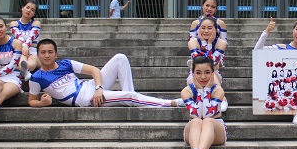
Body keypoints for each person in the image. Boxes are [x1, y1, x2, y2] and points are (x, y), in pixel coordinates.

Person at [28, 39, 183, 109]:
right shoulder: (37, 77)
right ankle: (169, 103)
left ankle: (132, 99)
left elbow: (94, 70)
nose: (47, 55)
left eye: (50, 52)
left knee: (120, 58)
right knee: (129, 96)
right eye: (43, 52)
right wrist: (42, 103)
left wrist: (98, 88)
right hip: (84, 99)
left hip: (92, 87)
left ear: (56, 54)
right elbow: (31, 101)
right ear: (38, 55)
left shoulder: (66, 63)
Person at [254, 16, 297, 124]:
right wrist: (267, 31)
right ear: (293, 29)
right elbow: (257, 51)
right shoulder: (281, 48)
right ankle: (296, 113)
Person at [182, 56, 226, 149]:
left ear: (212, 73)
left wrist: (206, 90)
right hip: (194, 128)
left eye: (207, 72)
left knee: (207, 120)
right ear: (193, 74)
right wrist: (200, 91)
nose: (202, 77)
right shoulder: (186, 91)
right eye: (198, 73)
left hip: (215, 128)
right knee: (196, 120)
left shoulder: (218, 91)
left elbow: (208, 114)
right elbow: (196, 114)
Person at [9, 0, 41, 81]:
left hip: (33, 51)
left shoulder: (36, 23)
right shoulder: (14, 23)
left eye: (32, 10)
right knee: (22, 57)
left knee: (32, 60)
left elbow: (31, 37)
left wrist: (25, 46)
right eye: (27, 7)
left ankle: (25, 70)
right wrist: (24, 46)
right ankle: (26, 72)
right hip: (20, 51)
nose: (29, 10)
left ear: (34, 14)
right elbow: (18, 36)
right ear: (22, 8)